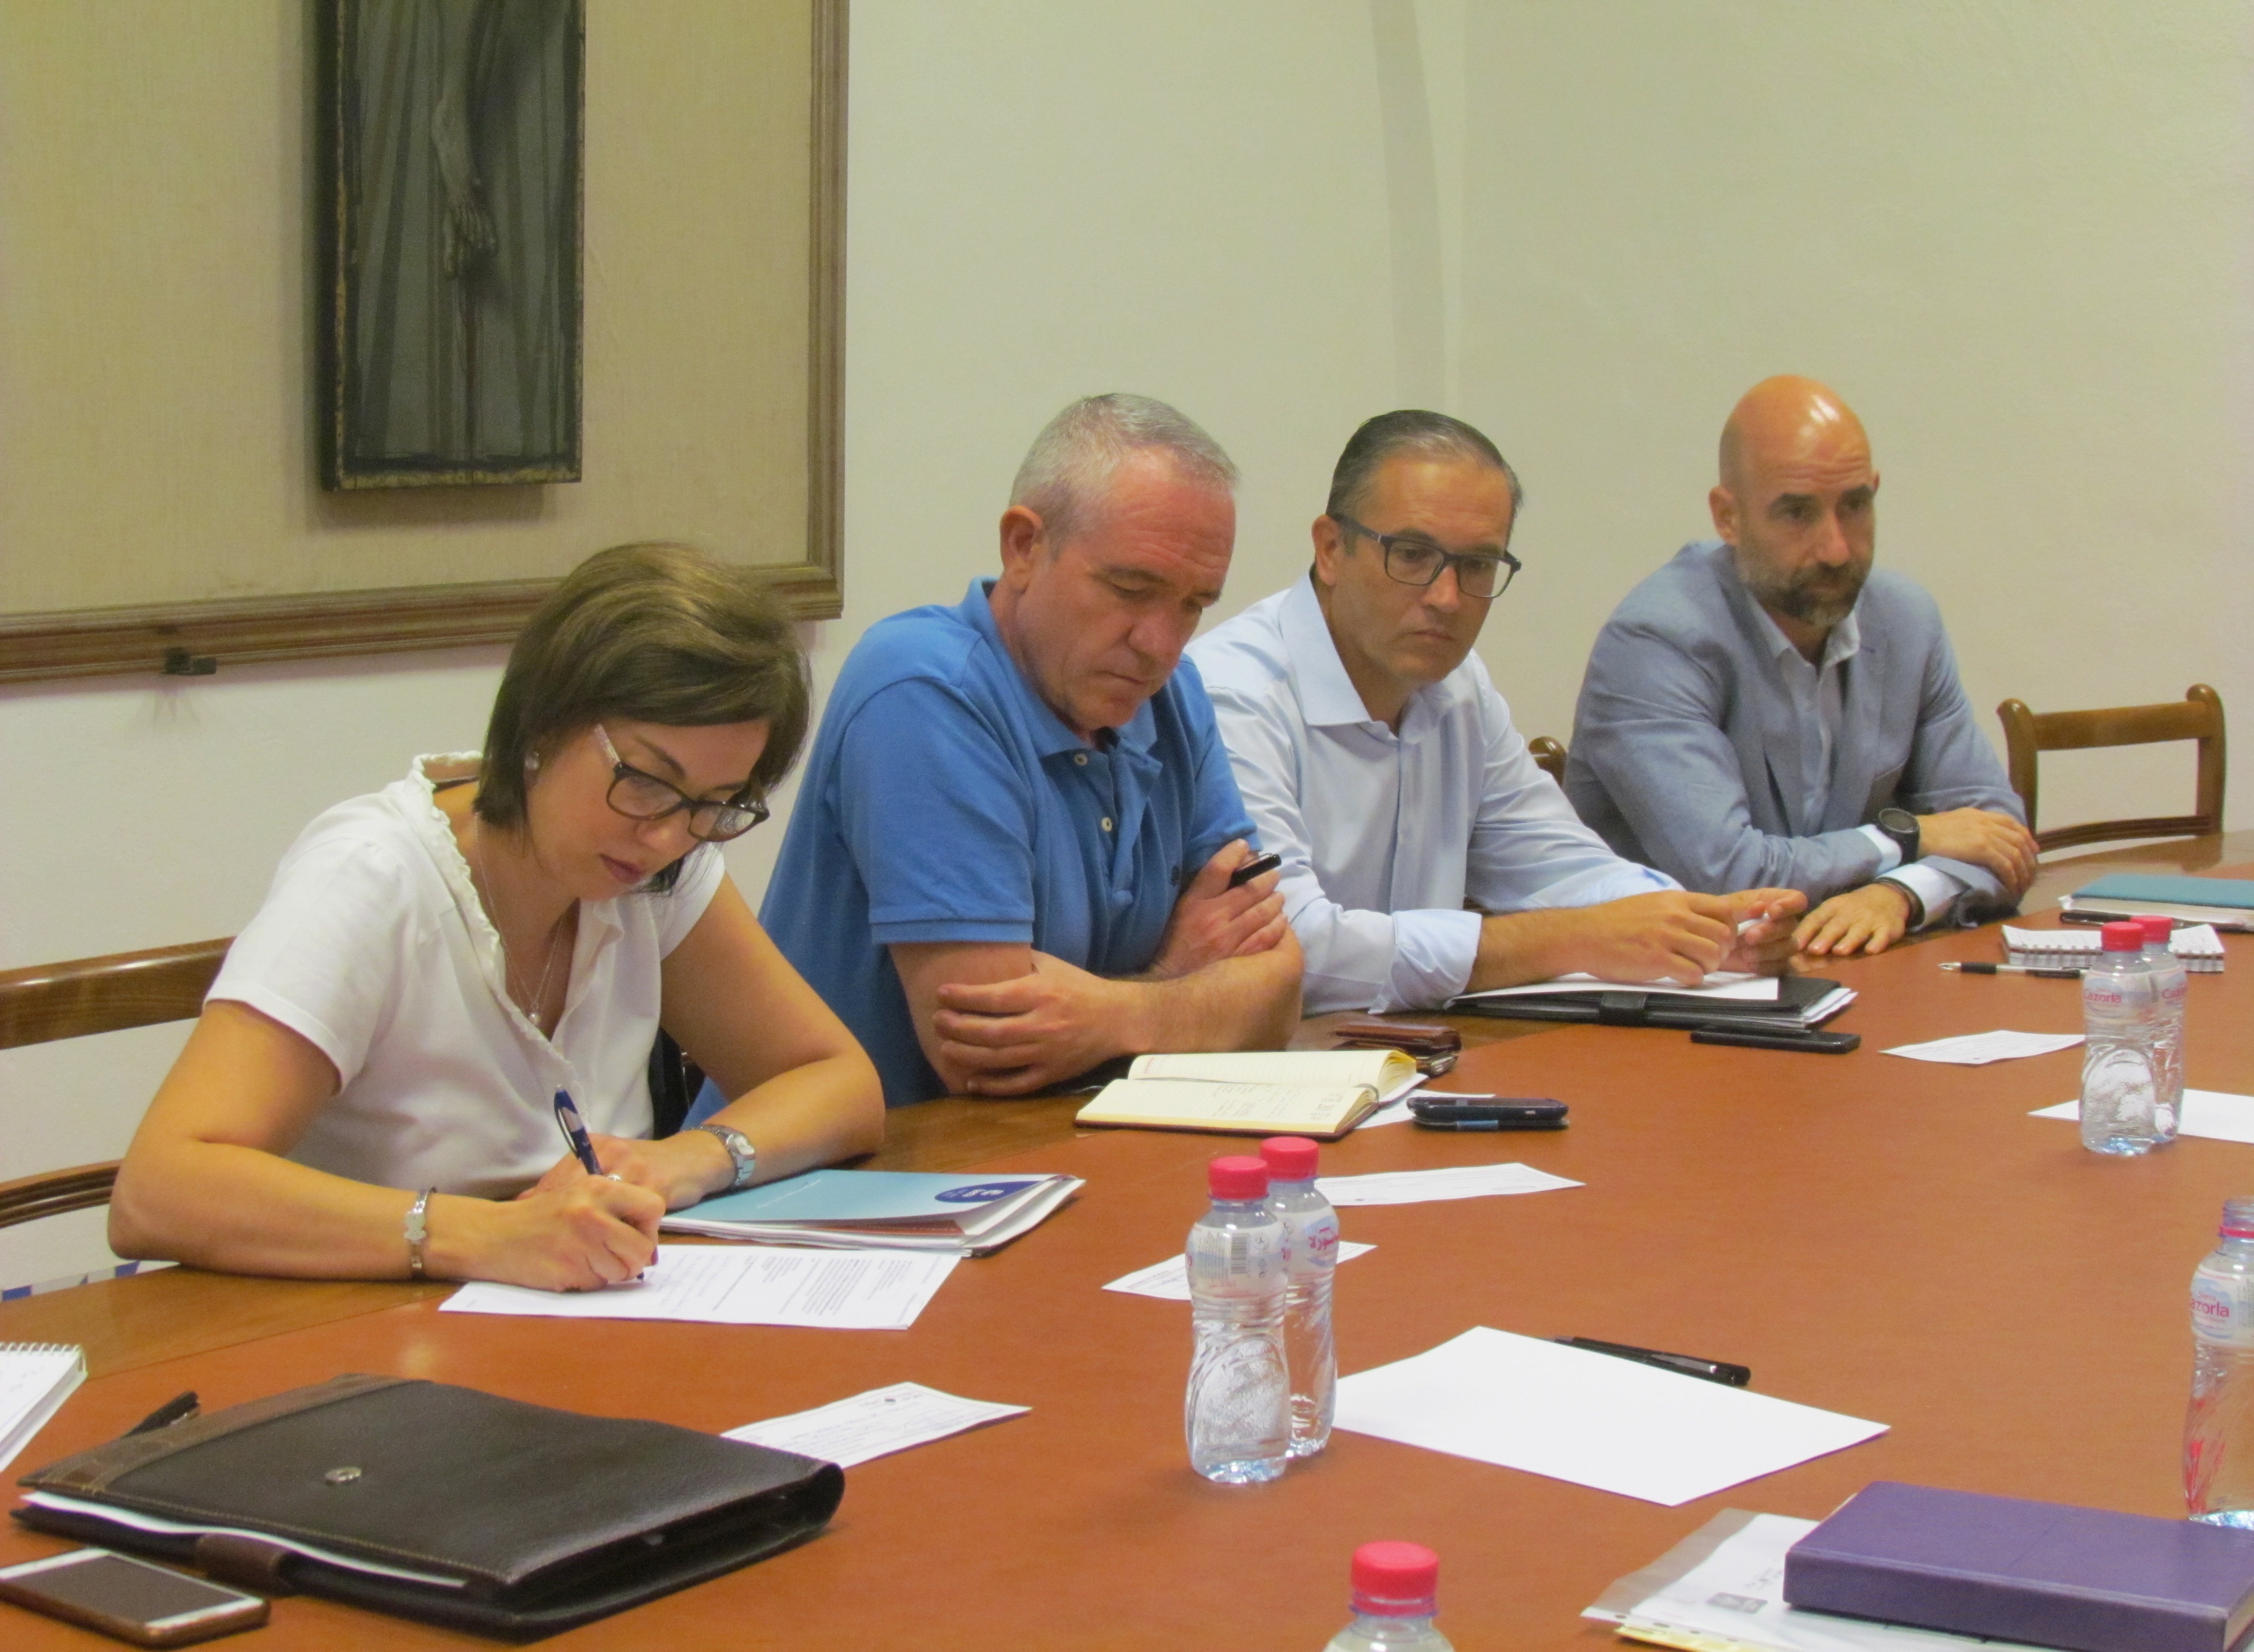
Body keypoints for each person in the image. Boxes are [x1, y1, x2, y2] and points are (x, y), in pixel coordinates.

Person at [109, 544, 885, 1292]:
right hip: (342, 1335)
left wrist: (690, 1158)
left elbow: (838, 1085)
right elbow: (160, 1190)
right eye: (647, 781)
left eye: (715, 806)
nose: (666, 837)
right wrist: (488, 1236)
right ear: (542, 723)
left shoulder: (662, 874)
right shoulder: (374, 877)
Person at [759, 394, 1303, 1105]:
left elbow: (1281, 990)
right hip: (852, 1182)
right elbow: (987, 1058)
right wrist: (1181, 979)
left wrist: (1111, 1015)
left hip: (1061, 1160)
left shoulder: (1174, 696)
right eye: (1131, 589)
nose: (1161, 643)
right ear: (1024, 547)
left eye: (1194, 604)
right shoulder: (925, 688)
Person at [1187, 410, 1803, 1015]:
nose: (1447, 598)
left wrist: (1708, 929)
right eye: (1411, 555)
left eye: (1478, 566)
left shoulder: (1458, 687)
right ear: (1330, 548)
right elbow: (1294, 948)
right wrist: (1570, 938)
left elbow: (1561, 867)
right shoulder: (1231, 693)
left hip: (1414, 1061)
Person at [1566, 376, 2037, 956]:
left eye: (1856, 506)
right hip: (1672, 994)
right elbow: (1733, 875)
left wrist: (1900, 895)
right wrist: (1912, 837)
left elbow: (1999, 836)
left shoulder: (1906, 620)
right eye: (1796, 513)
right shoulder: (1658, 640)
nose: (1836, 549)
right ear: (1727, 518)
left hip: (1834, 977)